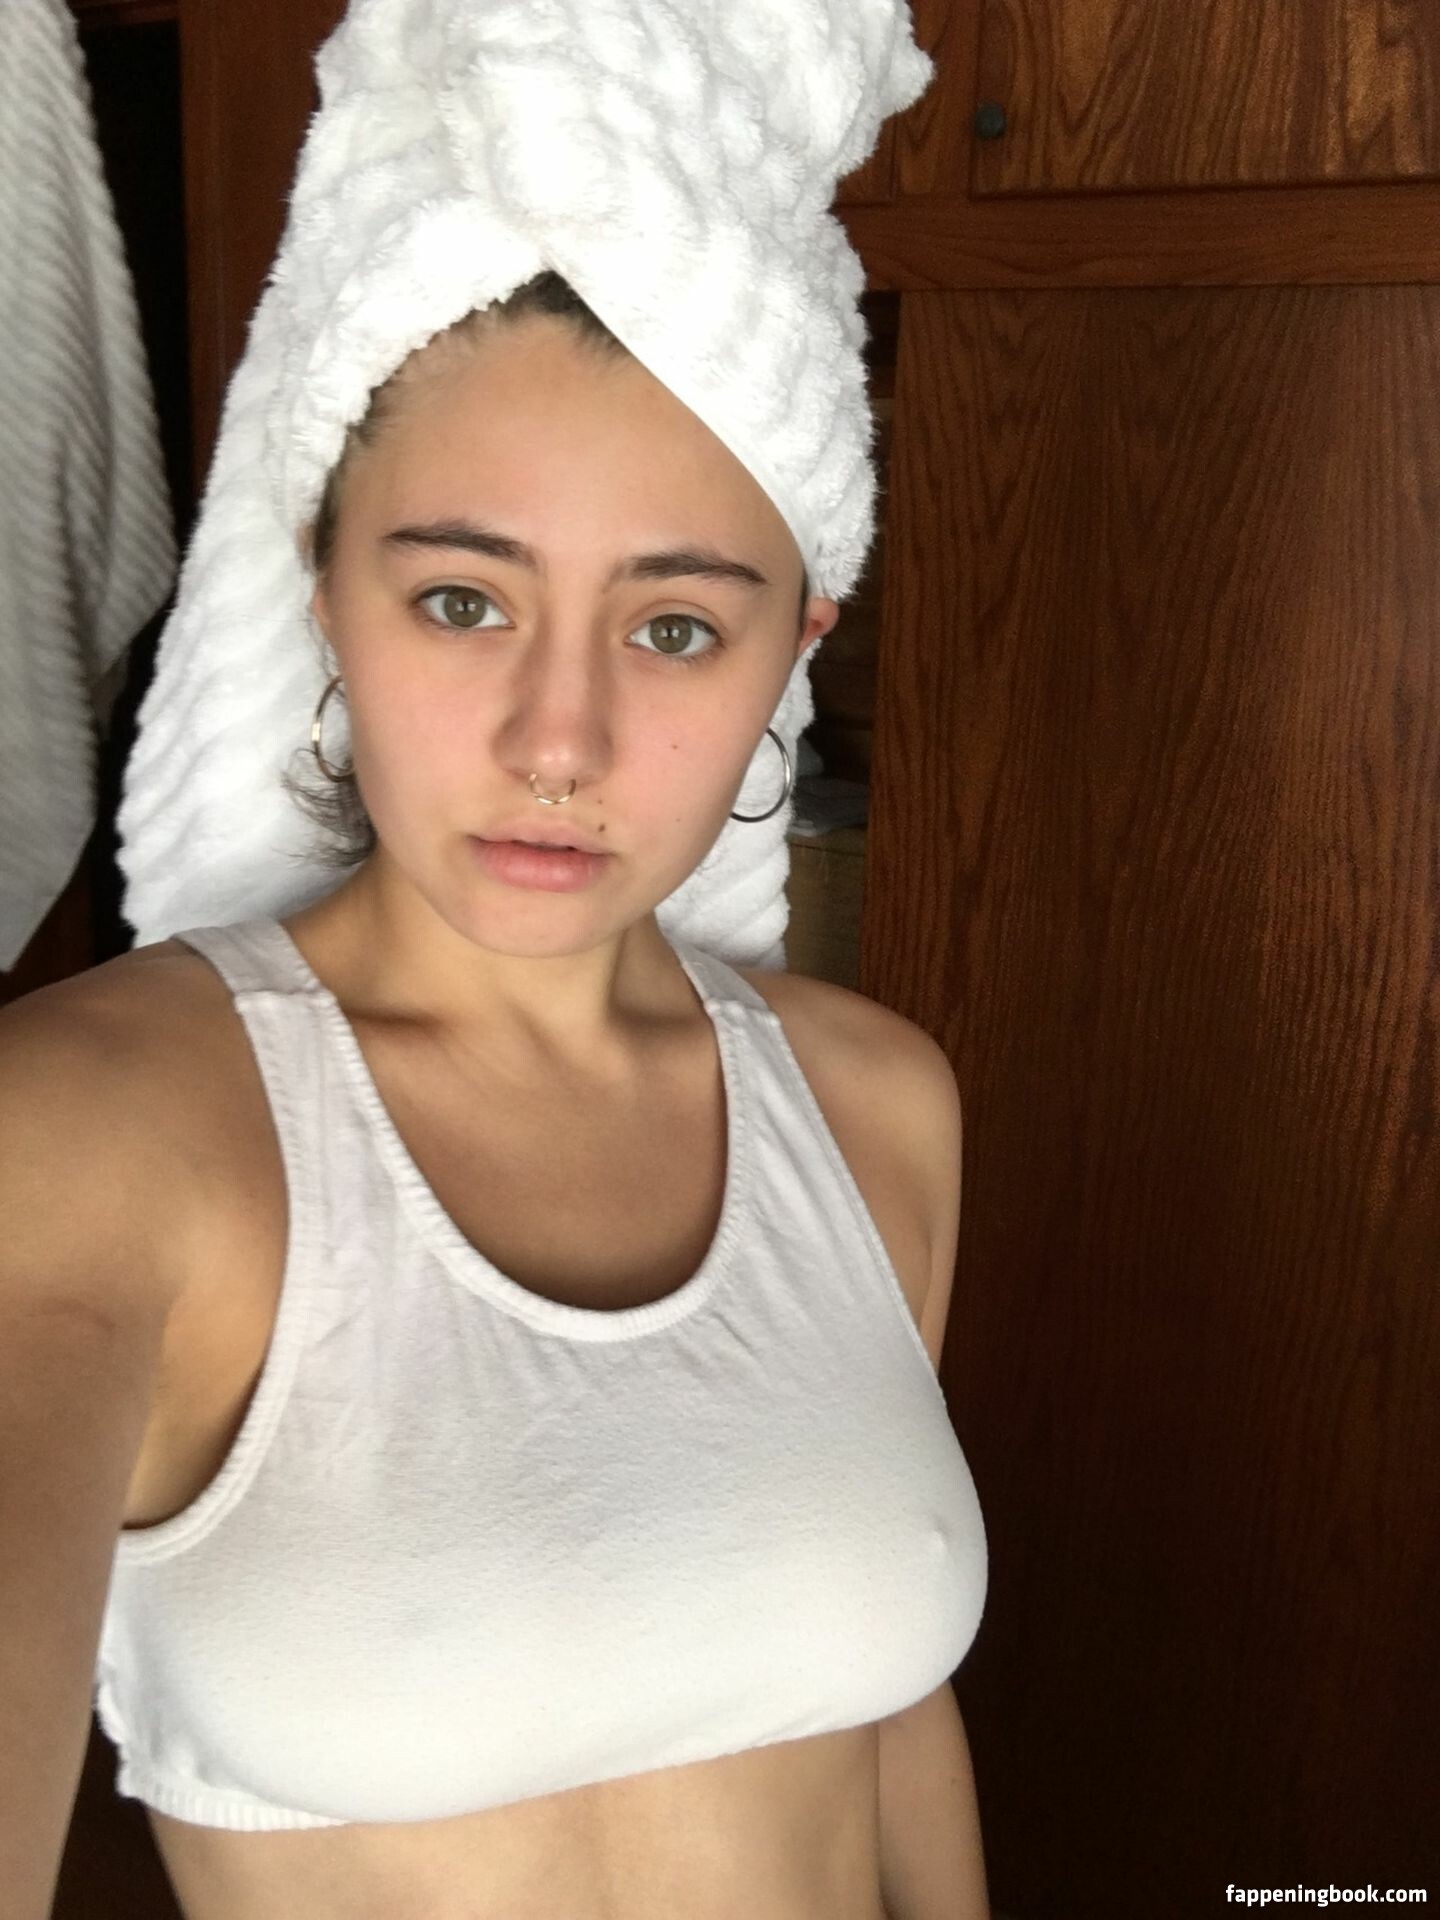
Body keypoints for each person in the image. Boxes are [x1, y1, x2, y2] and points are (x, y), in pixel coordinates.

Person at [1, 270, 989, 1919]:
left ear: (793, 647)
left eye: (675, 628)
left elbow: (879, 1707)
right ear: (326, 591)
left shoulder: (876, 1104)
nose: (559, 744)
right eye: (463, 601)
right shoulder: (91, 1131)